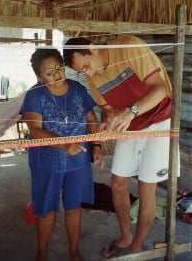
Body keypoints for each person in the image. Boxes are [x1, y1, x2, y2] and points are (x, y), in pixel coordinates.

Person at [63, 35, 179, 258]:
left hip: (159, 120)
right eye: (82, 71)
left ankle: (136, 245)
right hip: (130, 123)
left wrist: (128, 113)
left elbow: (161, 89)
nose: (88, 73)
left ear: (92, 48)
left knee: (146, 188)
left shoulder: (129, 47)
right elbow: (107, 109)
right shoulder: (93, 76)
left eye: (87, 66)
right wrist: (109, 122)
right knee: (117, 184)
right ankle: (125, 236)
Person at [20, 48, 104, 261]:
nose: (57, 74)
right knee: (46, 211)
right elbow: (36, 130)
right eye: (49, 72)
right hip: (46, 163)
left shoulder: (76, 89)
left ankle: (74, 252)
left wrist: (96, 146)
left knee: (74, 207)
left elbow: (92, 120)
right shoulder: (34, 95)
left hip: (78, 161)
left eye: (59, 68)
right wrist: (65, 144)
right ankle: (41, 254)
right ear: (40, 77)